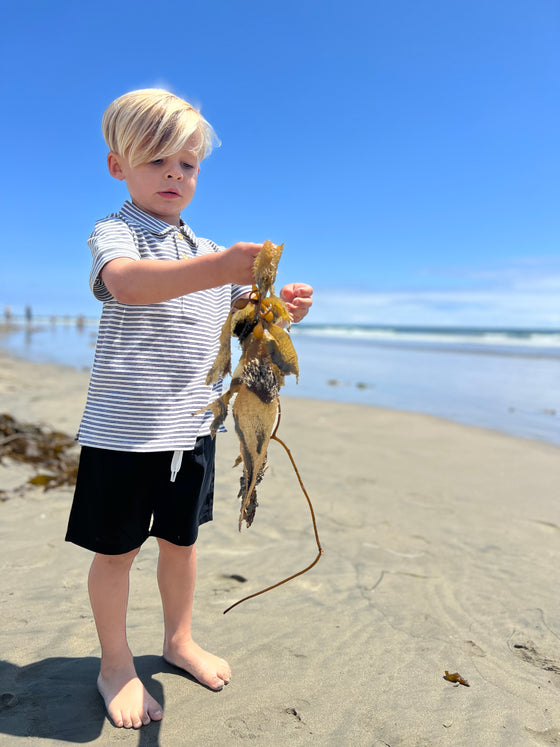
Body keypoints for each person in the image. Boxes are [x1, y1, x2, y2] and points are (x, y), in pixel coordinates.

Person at [65, 89, 313, 730]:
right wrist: (219, 266)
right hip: (125, 434)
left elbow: (250, 315)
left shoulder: (202, 246)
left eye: (188, 165)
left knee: (182, 542)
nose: (175, 175)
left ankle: (178, 640)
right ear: (119, 165)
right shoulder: (116, 234)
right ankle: (115, 663)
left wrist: (285, 303)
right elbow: (124, 283)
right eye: (157, 161)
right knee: (115, 553)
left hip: (194, 429)